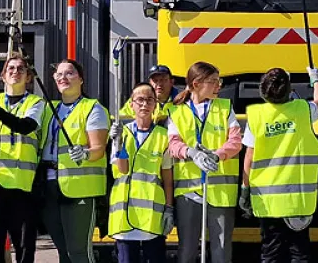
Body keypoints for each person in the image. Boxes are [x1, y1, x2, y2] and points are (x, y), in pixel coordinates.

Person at [241, 68, 318, 263]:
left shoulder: (256, 115)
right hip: (297, 200)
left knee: (270, 253)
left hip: (267, 201)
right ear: (289, 89)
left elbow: (249, 158)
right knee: (299, 252)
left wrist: (245, 189)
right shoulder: (303, 110)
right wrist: (315, 80)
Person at [167, 61, 244, 263]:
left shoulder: (225, 108)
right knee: (187, 250)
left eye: (219, 81)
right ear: (196, 83)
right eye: (213, 81)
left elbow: (236, 141)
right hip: (189, 193)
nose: (218, 85)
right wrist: (191, 152)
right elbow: (173, 144)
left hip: (220, 192)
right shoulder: (176, 111)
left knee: (221, 250)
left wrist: (217, 155)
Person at [0, 51, 47, 263]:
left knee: (24, 249)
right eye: (11, 69)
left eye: (21, 69)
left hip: (21, 188)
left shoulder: (36, 103)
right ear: (3, 76)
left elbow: (24, 127)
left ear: (28, 77)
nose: (15, 72)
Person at [39, 59, 110, 263]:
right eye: (59, 74)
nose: (63, 78)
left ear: (81, 79)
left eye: (69, 73)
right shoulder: (48, 109)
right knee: (62, 252)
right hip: (50, 186)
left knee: (78, 252)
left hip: (79, 189)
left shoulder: (92, 108)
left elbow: (98, 148)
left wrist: (86, 153)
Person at [109, 83, 176, 263]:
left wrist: (169, 209)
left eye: (149, 100)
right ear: (131, 104)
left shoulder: (163, 136)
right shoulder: (121, 133)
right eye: (140, 100)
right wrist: (118, 143)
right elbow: (122, 169)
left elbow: (167, 179)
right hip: (124, 217)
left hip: (152, 219)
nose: (144, 104)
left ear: (155, 104)